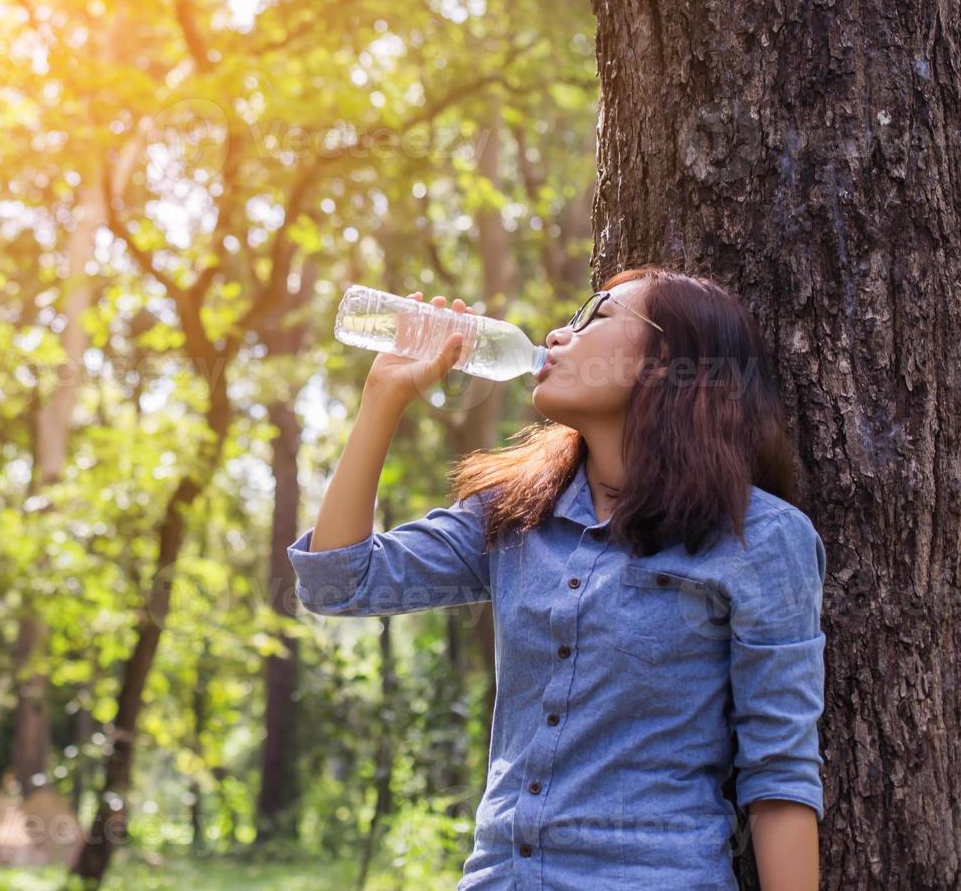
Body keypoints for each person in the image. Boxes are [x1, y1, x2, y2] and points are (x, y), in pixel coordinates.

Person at [287, 266, 826, 890]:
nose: (557, 334)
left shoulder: (760, 538)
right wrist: (383, 399)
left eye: (596, 317)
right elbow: (336, 583)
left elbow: (780, 774)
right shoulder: (516, 515)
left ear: (667, 363)